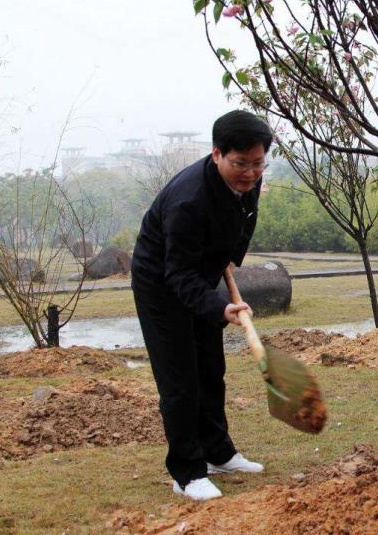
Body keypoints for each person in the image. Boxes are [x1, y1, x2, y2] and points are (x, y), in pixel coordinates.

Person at [131, 110, 272, 500]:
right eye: (240, 163)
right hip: (162, 284)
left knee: (211, 368)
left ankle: (218, 453)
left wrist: (229, 259)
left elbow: (244, 219)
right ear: (216, 154)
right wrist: (218, 308)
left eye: (258, 163)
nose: (250, 172)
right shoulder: (188, 200)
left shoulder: (250, 181)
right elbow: (176, 274)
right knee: (180, 379)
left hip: (204, 274)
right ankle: (187, 472)